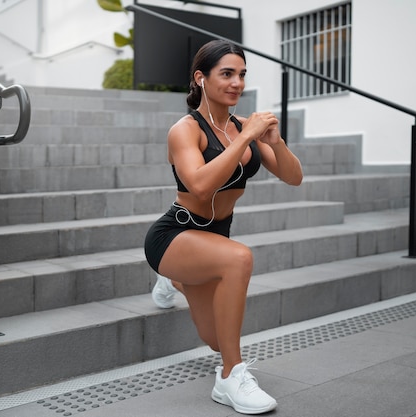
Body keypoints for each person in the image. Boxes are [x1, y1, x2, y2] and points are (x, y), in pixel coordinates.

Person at [144, 39, 303, 415]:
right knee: (239, 259)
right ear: (200, 78)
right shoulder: (185, 130)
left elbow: (294, 177)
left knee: (216, 339)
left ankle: (177, 281)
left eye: (242, 75)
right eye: (227, 74)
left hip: (214, 240)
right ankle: (231, 377)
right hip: (175, 235)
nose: (237, 83)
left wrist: (275, 143)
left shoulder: (243, 127)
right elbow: (199, 184)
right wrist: (246, 137)